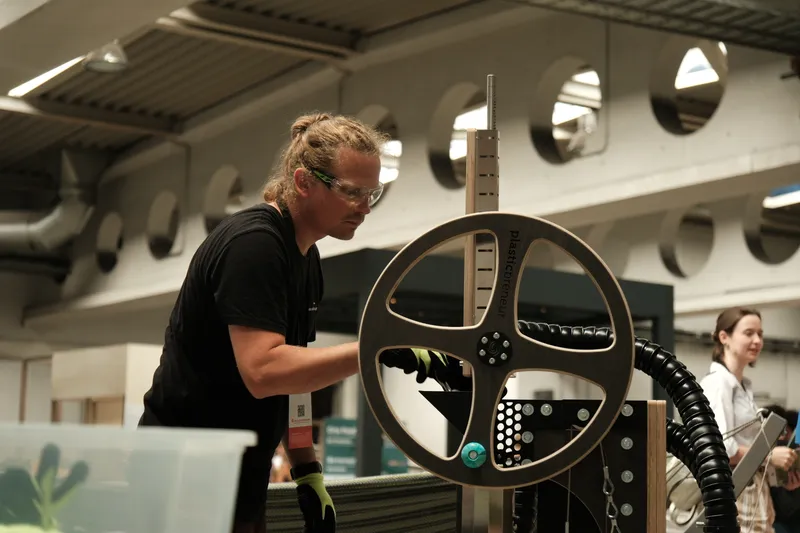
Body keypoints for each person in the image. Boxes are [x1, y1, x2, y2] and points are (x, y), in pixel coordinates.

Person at [137, 112, 465, 533]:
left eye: (373, 193)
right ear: (303, 182)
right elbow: (264, 370)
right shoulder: (253, 246)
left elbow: (295, 381)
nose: (365, 207)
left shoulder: (307, 259)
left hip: (236, 480)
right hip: (180, 478)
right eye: (351, 192)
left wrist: (307, 470)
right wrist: (376, 349)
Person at [699, 306, 800, 533]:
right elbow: (722, 447)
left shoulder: (743, 386)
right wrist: (770, 456)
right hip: (734, 500)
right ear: (724, 337)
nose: (757, 340)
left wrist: (782, 477)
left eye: (760, 334)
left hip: (755, 499)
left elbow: (748, 448)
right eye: (748, 333)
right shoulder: (717, 384)